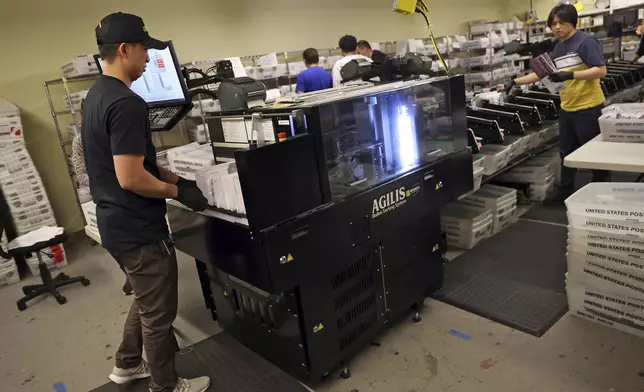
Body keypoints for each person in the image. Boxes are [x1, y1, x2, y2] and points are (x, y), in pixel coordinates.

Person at [82, 12, 210, 392]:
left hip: (115, 224)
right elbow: (131, 177)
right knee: (159, 315)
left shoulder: (97, 95)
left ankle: (126, 365)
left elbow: (137, 163)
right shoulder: (127, 103)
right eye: (144, 50)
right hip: (138, 229)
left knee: (144, 297)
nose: (149, 58)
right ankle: (166, 386)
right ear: (125, 49)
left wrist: (176, 177)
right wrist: (177, 194)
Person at [506, 4, 609, 198]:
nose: (557, 27)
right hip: (567, 108)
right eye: (553, 24)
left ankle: (602, 192)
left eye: (561, 22)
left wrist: (569, 75)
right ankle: (566, 192)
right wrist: (515, 81)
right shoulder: (559, 47)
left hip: (589, 108)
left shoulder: (586, 42)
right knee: (566, 153)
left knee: (595, 153)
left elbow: (601, 70)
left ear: (573, 22)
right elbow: (541, 73)